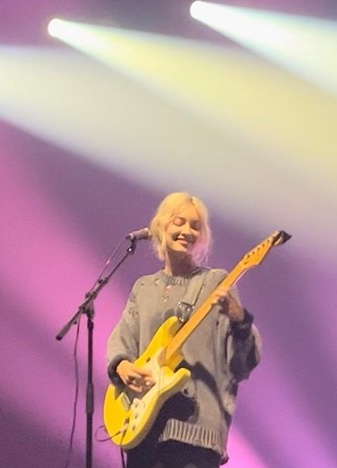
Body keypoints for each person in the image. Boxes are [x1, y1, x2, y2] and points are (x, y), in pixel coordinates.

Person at [106, 191, 262, 467]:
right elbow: (123, 337)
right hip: (143, 427)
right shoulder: (144, 287)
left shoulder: (215, 282)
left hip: (195, 434)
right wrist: (122, 366)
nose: (187, 231)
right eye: (179, 222)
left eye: (195, 226)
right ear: (161, 226)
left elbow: (241, 363)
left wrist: (239, 319)